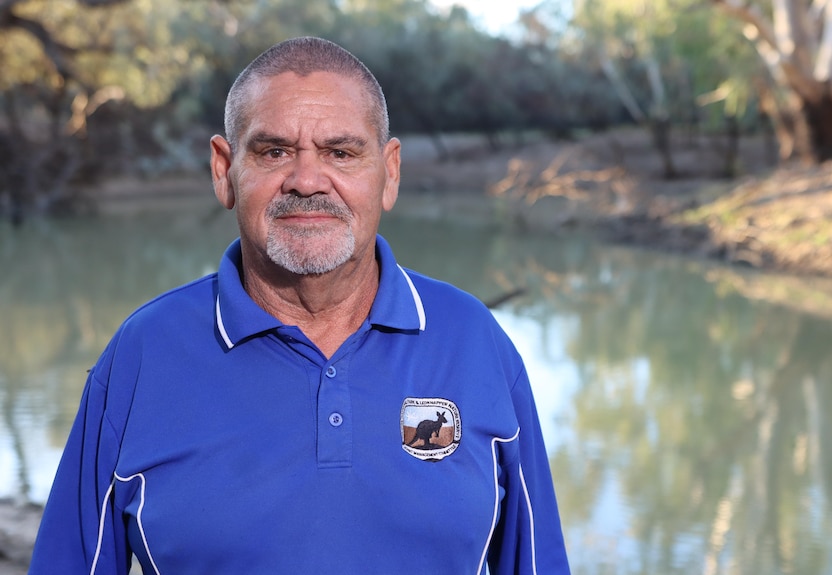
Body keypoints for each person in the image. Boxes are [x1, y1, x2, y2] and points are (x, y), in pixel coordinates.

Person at [28, 36, 570, 574]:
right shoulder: (141, 356)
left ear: (390, 172)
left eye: (341, 152)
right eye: (274, 152)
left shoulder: (474, 342)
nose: (308, 181)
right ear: (225, 170)